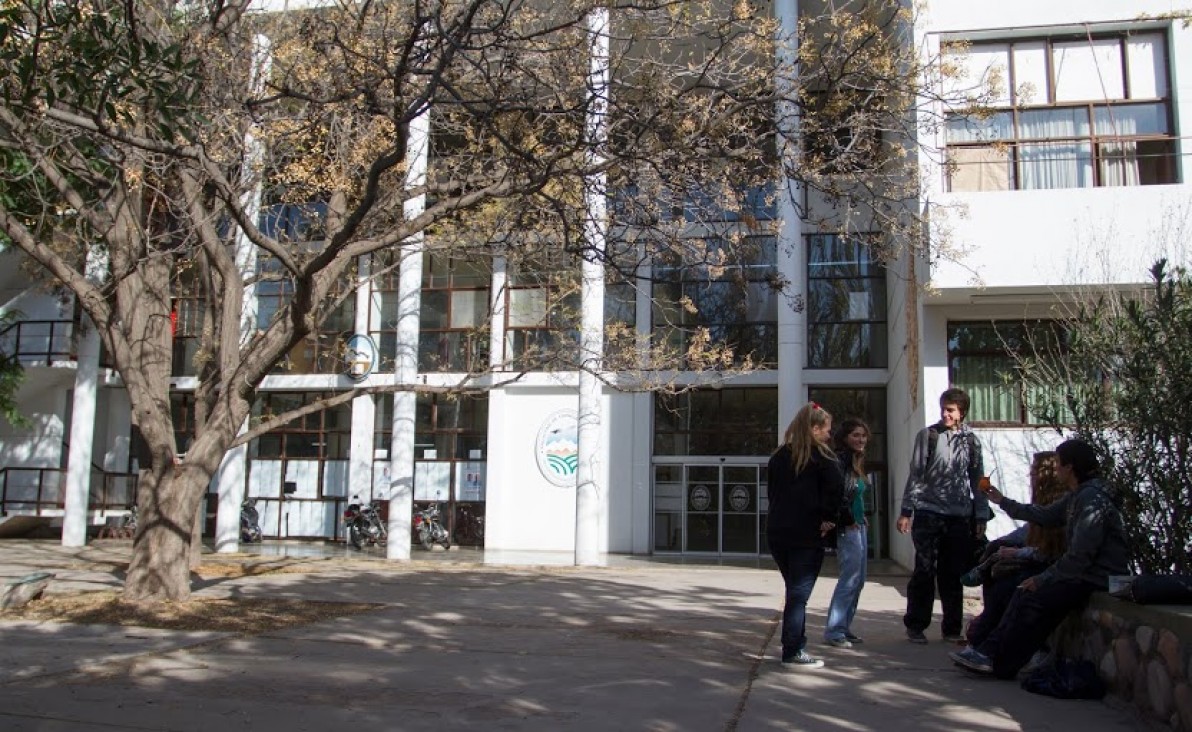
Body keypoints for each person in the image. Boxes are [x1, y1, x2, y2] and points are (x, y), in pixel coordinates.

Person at [950, 439, 1130, 678]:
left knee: (1032, 595)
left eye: (1058, 463)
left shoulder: (1091, 500)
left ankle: (998, 659)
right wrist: (1002, 501)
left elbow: (1080, 557)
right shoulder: (1079, 495)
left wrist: (1043, 579)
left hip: (1096, 577)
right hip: (1083, 573)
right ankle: (990, 653)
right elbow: (1044, 515)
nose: (1056, 469)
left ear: (1070, 467)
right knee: (1020, 590)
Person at [897, 387, 991, 644]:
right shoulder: (928, 436)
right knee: (925, 569)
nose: (945, 414)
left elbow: (978, 479)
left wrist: (980, 515)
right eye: (943, 409)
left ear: (962, 412)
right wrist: (907, 511)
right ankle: (916, 624)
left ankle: (951, 628)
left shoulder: (971, 441)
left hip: (959, 516)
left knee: (952, 574)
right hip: (928, 513)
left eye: (951, 410)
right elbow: (916, 474)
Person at [963, 451, 1071, 649]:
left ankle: (985, 639)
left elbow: (1050, 551)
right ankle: (983, 630)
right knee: (996, 555)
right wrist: (1001, 543)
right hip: (1037, 558)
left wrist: (1017, 553)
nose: (1030, 476)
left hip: (1049, 566)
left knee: (1008, 586)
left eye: (1034, 471)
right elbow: (1027, 529)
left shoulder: (1060, 504)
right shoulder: (1043, 501)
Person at [767, 402, 845, 669]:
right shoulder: (824, 459)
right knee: (799, 595)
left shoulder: (778, 457)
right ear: (814, 429)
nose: (829, 435)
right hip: (806, 534)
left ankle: (794, 643)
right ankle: (793, 650)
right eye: (827, 430)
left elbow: (772, 494)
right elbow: (837, 490)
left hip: (778, 533)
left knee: (794, 590)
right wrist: (829, 519)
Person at [823, 417, 870, 648]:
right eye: (856, 435)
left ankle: (844, 627)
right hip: (848, 527)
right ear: (845, 438)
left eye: (863, 435)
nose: (861, 439)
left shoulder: (857, 461)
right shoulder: (841, 460)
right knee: (849, 579)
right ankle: (834, 630)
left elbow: (856, 495)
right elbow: (838, 494)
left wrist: (862, 518)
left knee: (859, 580)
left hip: (859, 525)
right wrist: (849, 518)